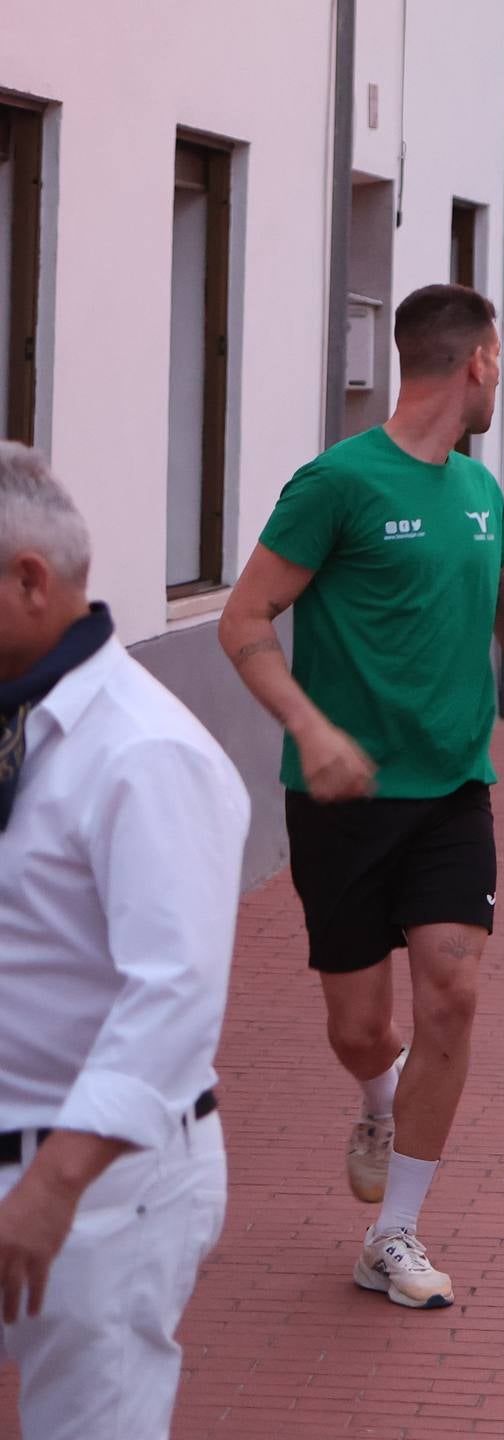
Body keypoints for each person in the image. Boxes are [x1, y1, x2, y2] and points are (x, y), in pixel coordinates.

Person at [216, 285, 504, 1312]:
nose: (503, 377)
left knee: (453, 994)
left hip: (453, 793)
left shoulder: (482, 495)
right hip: (346, 801)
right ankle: (376, 1099)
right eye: (501, 361)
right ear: (479, 362)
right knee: (363, 1029)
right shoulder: (338, 483)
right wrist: (313, 732)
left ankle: (393, 1232)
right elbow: (244, 619)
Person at [0, 449, 249, 1438]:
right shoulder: (17, 723)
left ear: (30, 580)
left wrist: (54, 1182)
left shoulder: (145, 752)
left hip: (100, 1189)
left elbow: (175, 995)